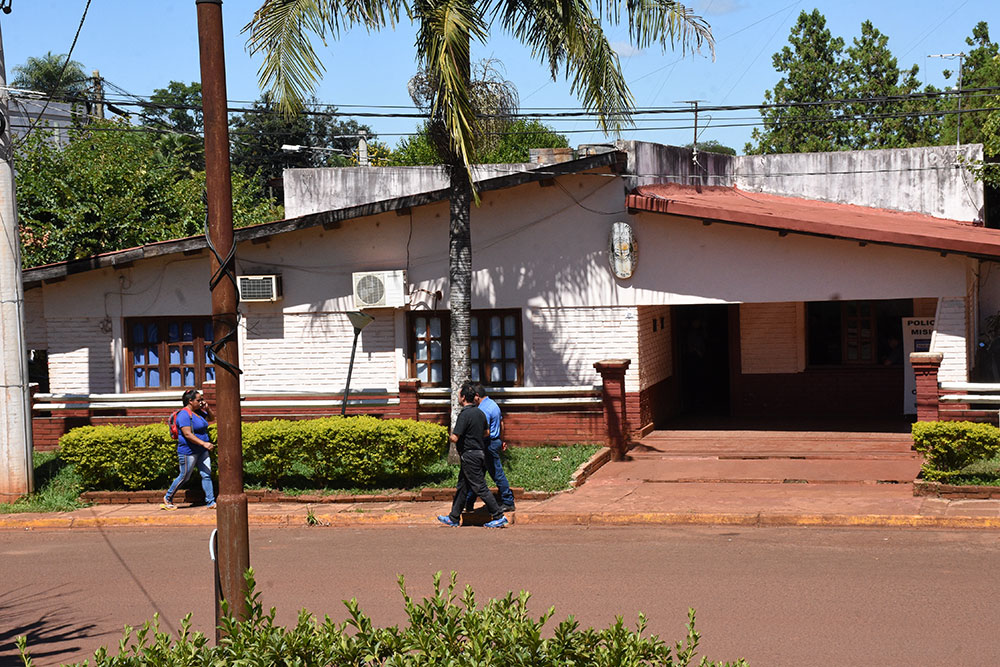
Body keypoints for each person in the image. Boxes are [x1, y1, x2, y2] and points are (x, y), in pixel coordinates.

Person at [437, 384, 508, 528]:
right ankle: (453, 517)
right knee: (462, 486)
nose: (458, 398)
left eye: (459, 395)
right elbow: (487, 432)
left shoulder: (464, 415)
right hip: (479, 453)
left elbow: (455, 438)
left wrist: (443, 435)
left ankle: (499, 516)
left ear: (463, 397)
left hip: (469, 455)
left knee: (480, 487)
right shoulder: (480, 413)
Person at [162, 389, 217, 510]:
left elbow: (211, 418)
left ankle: (210, 502)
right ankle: (168, 497)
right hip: (189, 451)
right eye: (199, 400)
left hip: (201, 451)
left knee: (206, 475)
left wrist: (207, 408)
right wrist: (204, 443)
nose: (201, 402)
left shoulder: (198, 412)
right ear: (190, 401)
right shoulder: (184, 415)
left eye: (202, 399)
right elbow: (187, 434)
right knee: (184, 476)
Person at [465, 382, 515, 512]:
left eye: (472, 396)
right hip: (495, 441)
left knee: (496, 473)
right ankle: (468, 502)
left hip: (488, 444)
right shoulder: (493, 404)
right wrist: (501, 440)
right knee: (478, 474)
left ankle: (508, 501)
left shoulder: (483, 409)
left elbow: (483, 430)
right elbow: (502, 423)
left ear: (477, 395)